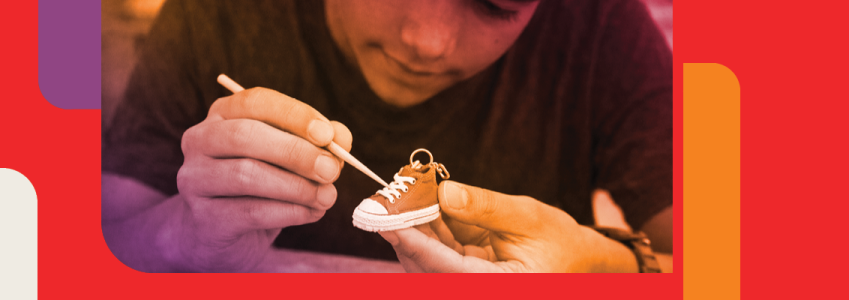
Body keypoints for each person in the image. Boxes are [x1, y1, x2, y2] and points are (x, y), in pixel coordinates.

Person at [102, 0, 673, 272]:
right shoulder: (219, 11)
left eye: (497, 4)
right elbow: (100, 244)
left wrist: (611, 268)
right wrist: (184, 235)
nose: (427, 41)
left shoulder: (601, 26)